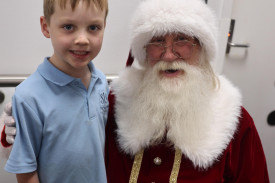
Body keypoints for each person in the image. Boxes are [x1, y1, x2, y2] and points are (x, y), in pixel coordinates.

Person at [0, 0, 270, 182]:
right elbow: (68, 130)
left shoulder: (235, 121)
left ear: (202, 47)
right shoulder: (118, 101)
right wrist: (14, 134)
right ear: (142, 50)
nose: (168, 53)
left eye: (182, 40)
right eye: (156, 42)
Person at [2, 0, 109, 183]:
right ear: (46, 27)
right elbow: (26, 171)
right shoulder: (28, 97)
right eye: (68, 26)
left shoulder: (101, 82)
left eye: (93, 27)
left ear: (104, 26)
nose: (82, 39)